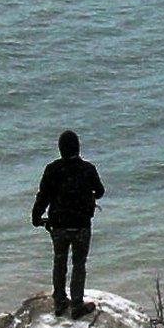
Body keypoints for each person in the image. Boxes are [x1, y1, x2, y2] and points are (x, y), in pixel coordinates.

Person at [31, 130, 104, 318]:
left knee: (59, 262)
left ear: (60, 149)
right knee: (79, 264)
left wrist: (36, 216)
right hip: (81, 225)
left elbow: (43, 196)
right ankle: (77, 305)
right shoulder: (88, 169)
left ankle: (60, 303)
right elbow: (100, 191)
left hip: (59, 226)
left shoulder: (52, 169)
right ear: (78, 148)